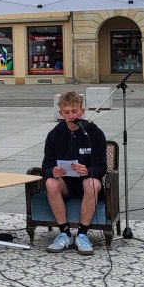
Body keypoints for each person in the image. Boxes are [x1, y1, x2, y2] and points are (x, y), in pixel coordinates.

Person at [41, 91, 107, 255]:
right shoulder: (54, 135)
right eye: (66, 112)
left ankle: (83, 235)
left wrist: (88, 170)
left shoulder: (94, 133)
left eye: (74, 111)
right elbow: (45, 167)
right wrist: (53, 171)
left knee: (91, 182)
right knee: (50, 182)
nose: (71, 116)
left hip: (86, 182)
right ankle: (64, 233)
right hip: (65, 184)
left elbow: (102, 167)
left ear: (82, 111)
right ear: (60, 113)